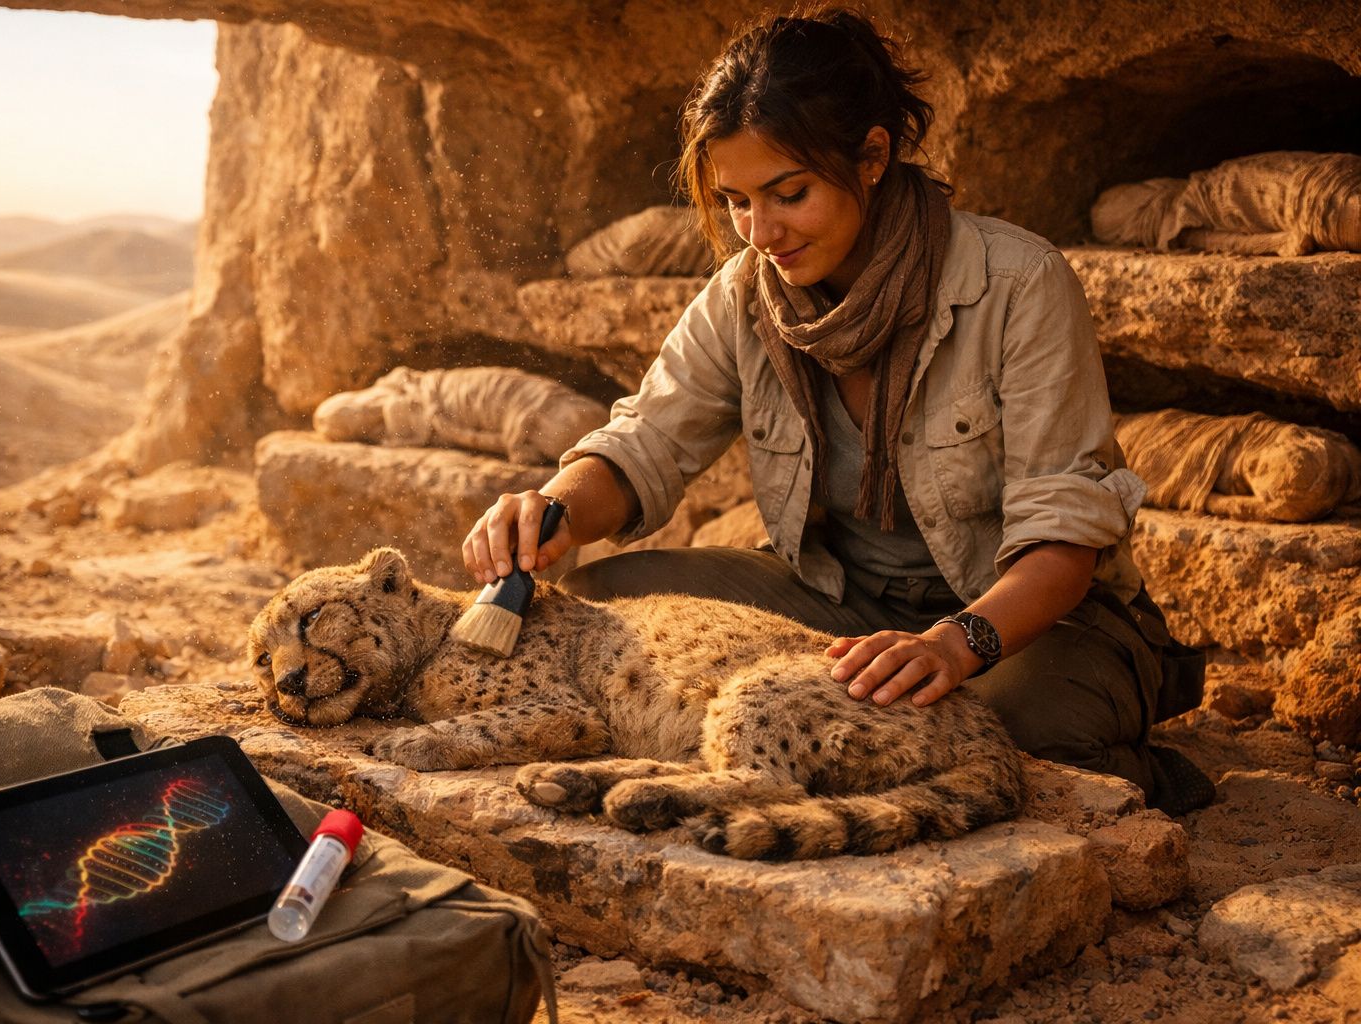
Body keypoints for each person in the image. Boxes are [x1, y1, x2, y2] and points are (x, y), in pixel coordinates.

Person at [461, 9, 1211, 813]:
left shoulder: (1018, 284)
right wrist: (553, 512)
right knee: (600, 609)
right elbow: (647, 438)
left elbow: (1064, 541)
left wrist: (953, 648)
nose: (761, 232)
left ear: (874, 156)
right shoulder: (746, 292)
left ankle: (1144, 761)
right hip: (835, 604)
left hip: (1024, 623)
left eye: (790, 194)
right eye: (737, 201)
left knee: (996, 734)